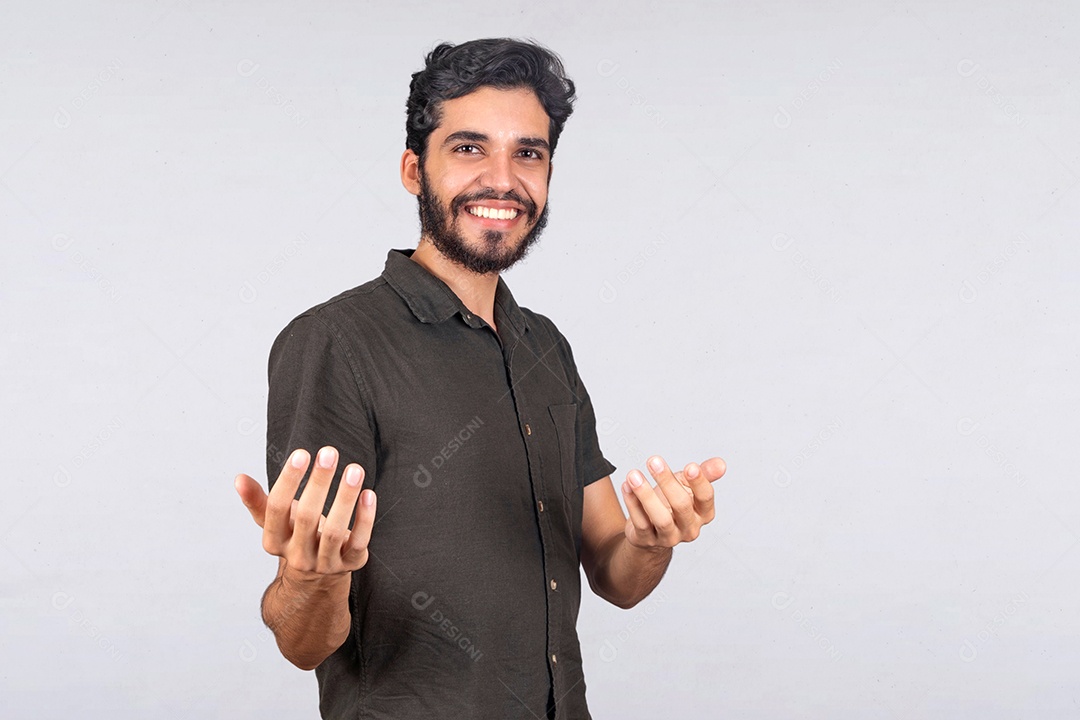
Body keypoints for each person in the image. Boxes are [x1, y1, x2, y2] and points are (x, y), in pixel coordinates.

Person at [234, 37, 727, 720]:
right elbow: (302, 640)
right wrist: (309, 577)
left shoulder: (544, 345)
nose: (503, 178)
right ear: (414, 169)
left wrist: (651, 540)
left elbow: (618, 574)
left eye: (528, 153)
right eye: (469, 149)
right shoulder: (336, 342)